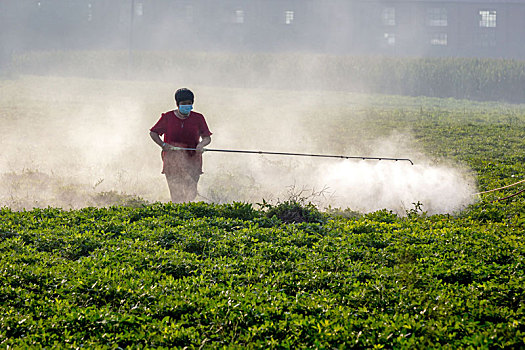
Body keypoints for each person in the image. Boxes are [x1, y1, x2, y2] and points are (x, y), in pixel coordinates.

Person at [149, 88, 212, 203]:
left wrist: (201, 145)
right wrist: (163, 144)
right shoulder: (167, 117)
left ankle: (187, 211)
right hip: (172, 161)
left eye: (189, 103)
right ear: (177, 104)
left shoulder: (198, 118)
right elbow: (153, 133)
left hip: (193, 160)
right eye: (183, 104)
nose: (186, 106)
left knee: (191, 192)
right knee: (176, 194)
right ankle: (178, 214)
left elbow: (207, 138)